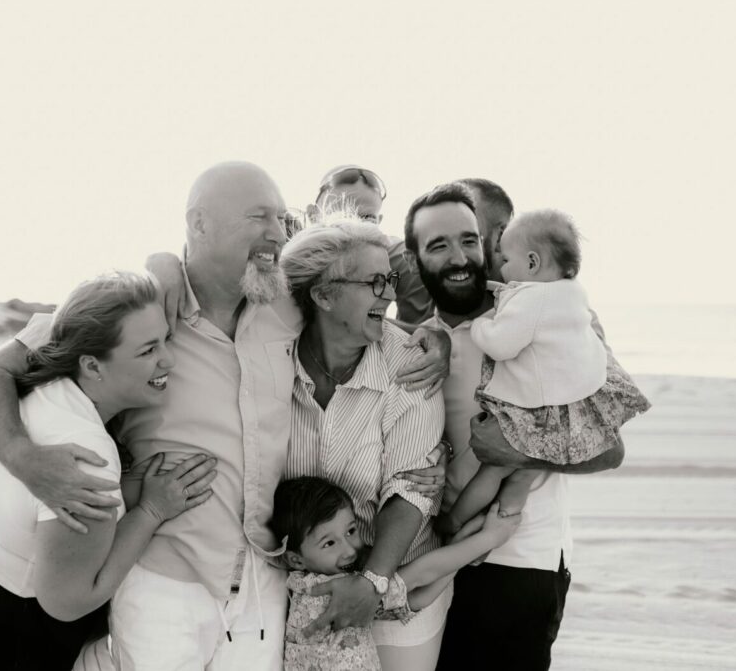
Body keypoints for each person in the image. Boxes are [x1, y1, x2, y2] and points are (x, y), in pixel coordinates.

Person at [0, 161, 451, 669]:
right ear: (197, 225)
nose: (276, 233)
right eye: (259, 217)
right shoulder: (138, 308)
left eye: (281, 219)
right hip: (165, 573)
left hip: (264, 575)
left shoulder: (285, 307)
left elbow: (355, 301)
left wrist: (436, 339)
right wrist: (23, 457)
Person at [0, 272, 217, 670]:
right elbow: (67, 602)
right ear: (93, 366)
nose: (170, 359)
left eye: (166, 339)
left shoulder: (41, 374)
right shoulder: (85, 454)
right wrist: (150, 511)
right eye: (148, 349)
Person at [404, 182, 627, 671]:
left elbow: (611, 449)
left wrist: (520, 454)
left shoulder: (555, 323)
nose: (462, 255)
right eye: (438, 245)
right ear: (416, 258)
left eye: (471, 238)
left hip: (519, 563)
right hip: (426, 560)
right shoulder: (417, 342)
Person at [279, 219, 451, 671]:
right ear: (323, 295)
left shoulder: (411, 364)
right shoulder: (271, 356)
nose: (390, 294)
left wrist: (372, 582)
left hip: (397, 579)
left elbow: (413, 489)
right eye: (375, 282)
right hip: (297, 587)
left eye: (390, 279)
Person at [439, 209, 651, 532]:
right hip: (573, 407)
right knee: (521, 475)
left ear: (533, 263)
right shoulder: (574, 294)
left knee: (494, 469)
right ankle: (500, 522)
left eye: (505, 258)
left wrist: (481, 324)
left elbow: (502, 344)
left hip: (536, 410)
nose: (500, 263)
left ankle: (452, 523)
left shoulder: (531, 300)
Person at [270, 476, 521, 671]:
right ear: (296, 559)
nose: (349, 550)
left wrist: (461, 542)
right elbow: (419, 575)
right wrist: (489, 538)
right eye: (329, 543)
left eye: (350, 531)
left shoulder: (333, 582)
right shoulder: (321, 592)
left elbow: (417, 598)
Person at [316, 165, 433, 324]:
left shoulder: (400, 257)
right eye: (342, 216)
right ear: (313, 215)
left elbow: (421, 334)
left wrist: (369, 320)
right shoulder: (291, 257)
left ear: (379, 222)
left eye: (367, 218)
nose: (354, 227)